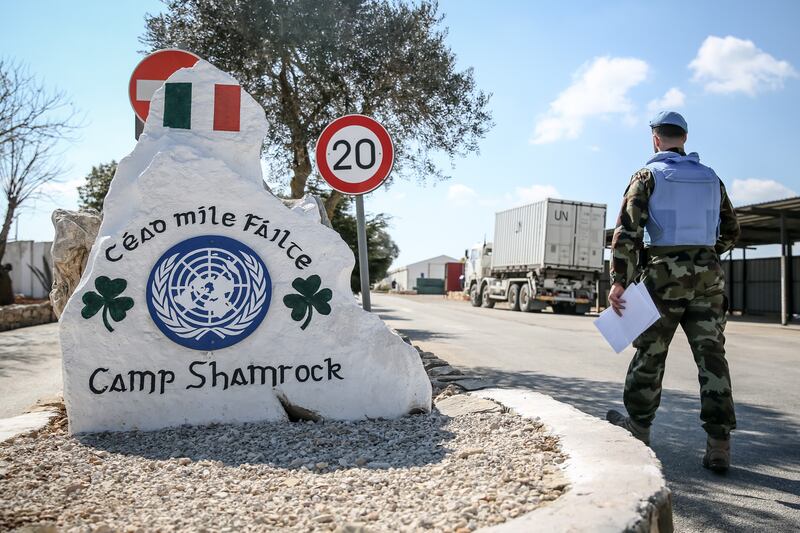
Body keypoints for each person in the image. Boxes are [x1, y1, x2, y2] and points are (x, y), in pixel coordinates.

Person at [606, 111, 740, 472]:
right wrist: (703, 257)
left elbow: (628, 233)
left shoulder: (647, 176)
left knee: (650, 353)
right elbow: (731, 230)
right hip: (709, 278)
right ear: (684, 138)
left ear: (655, 140)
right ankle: (719, 444)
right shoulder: (712, 179)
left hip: (663, 277)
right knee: (712, 358)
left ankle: (639, 431)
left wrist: (620, 280)